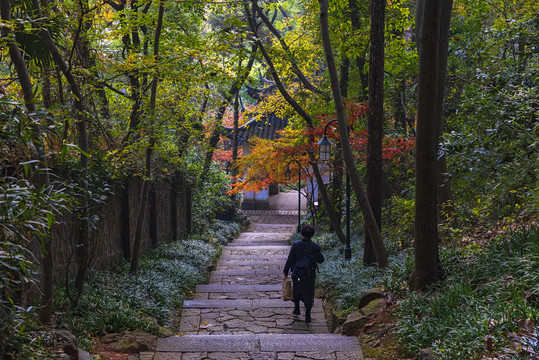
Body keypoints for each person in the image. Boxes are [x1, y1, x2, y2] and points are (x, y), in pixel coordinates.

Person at [283, 224, 324, 323]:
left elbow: (290, 259)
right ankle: (308, 315)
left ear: (301, 233)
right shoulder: (315, 246)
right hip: (309, 273)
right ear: (312, 235)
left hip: (296, 272)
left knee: (297, 290)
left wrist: (285, 272)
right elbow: (321, 260)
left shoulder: (296, 244)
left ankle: (297, 308)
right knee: (309, 293)